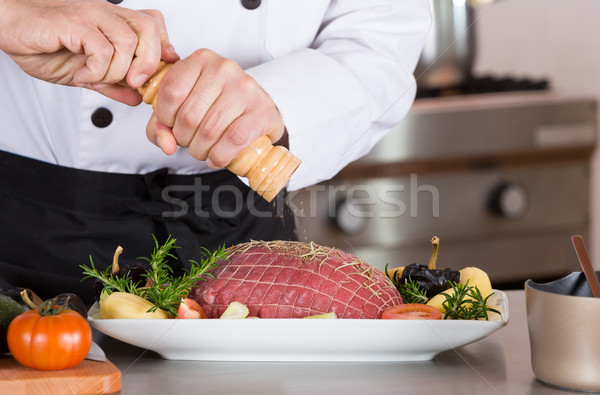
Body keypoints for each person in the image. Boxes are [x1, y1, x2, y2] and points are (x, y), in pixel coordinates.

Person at [0, 0, 430, 302]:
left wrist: (278, 102)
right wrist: (10, 12)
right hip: (25, 234)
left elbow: (382, 36)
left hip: (247, 242)